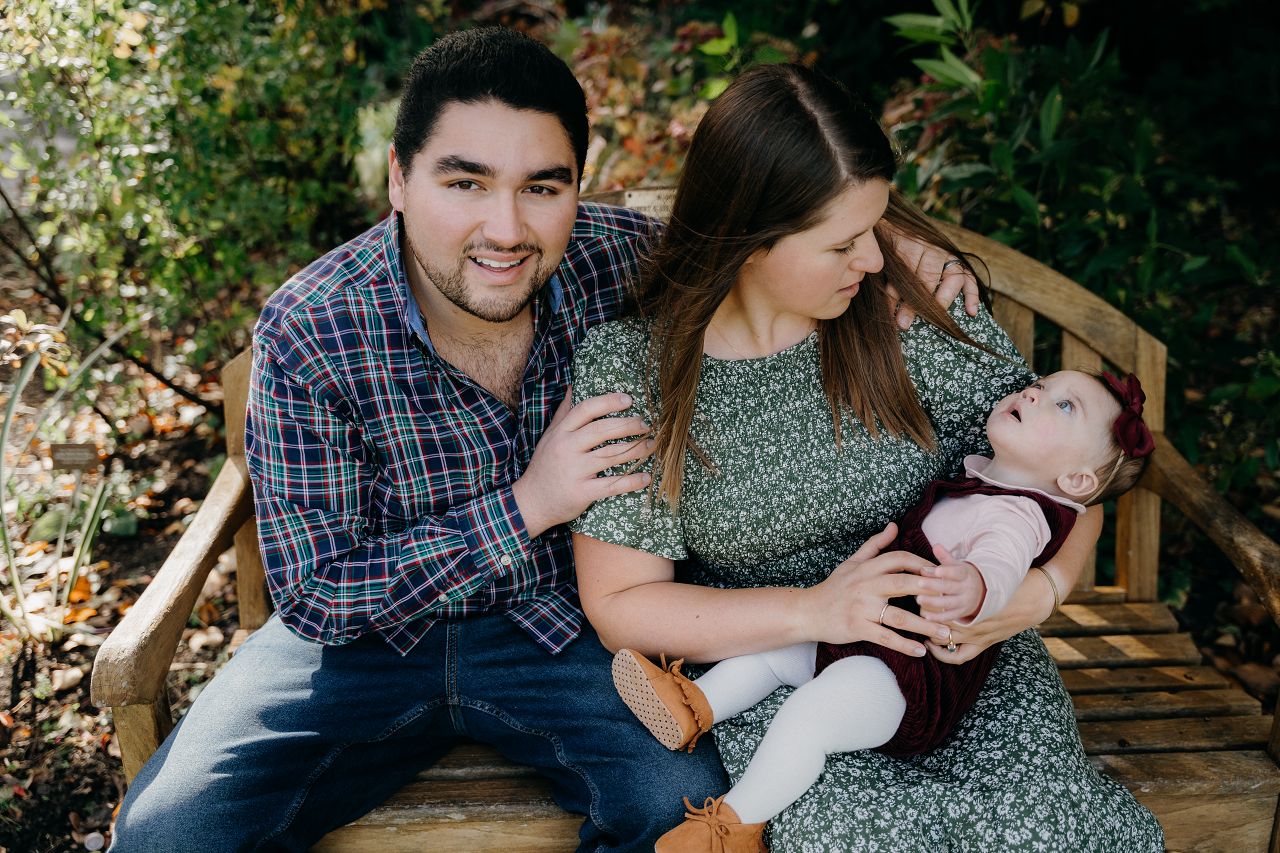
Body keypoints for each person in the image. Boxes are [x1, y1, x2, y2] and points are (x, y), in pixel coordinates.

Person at [108, 29, 980, 853]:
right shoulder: (314, 329)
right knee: (167, 835)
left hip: (564, 631)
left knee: (671, 809)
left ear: (577, 187)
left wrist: (896, 244)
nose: (506, 229)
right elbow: (316, 595)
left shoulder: (618, 260)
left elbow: (753, 224)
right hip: (359, 653)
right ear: (399, 178)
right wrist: (529, 504)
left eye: (542, 187)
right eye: (465, 183)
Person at [570, 64, 1165, 851]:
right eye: (843, 243)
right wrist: (812, 610)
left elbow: (1069, 491)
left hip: (965, 667)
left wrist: (1040, 592)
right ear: (750, 239)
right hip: (784, 670)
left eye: (878, 229)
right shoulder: (639, 371)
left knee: (1045, 825)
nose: (877, 260)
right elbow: (620, 602)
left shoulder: (911, 309)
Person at [611, 370, 1155, 851]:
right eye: (1040, 385)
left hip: (907, 673)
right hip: (865, 632)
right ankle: (695, 704)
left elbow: (1002, 565)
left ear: (1077, 481)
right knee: (774, 654)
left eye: (1064, 405)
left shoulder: (1018, 516)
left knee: (806, 717)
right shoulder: (986, 485)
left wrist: (975, 587)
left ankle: (732, 827)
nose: (1033, 393)